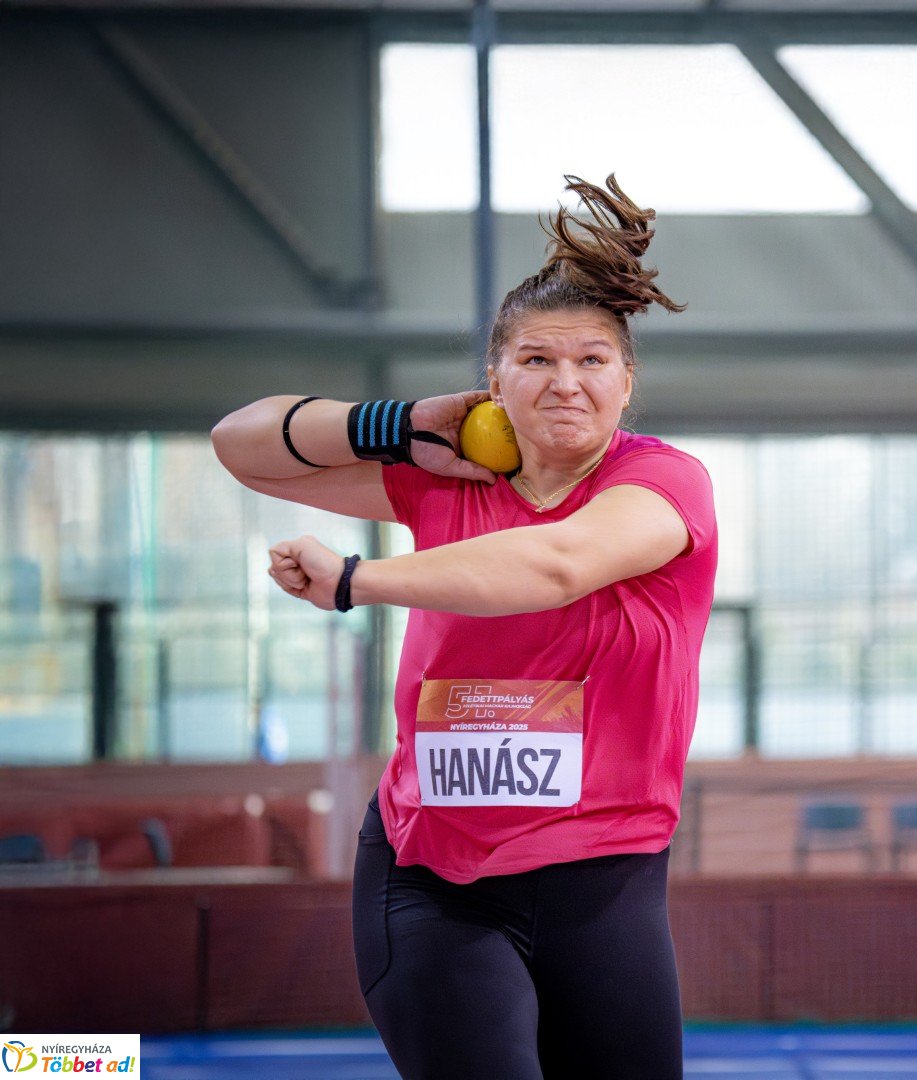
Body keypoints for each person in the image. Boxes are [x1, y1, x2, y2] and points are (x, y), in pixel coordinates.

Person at [211, 175, 714, 1080]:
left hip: (605, 884)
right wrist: (397, 423)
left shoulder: (662, 487)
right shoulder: (450, 481)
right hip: (431, 878)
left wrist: (359, 580)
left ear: (626, 381)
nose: (565, 382)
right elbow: (241, 445)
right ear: (494, 380)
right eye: (535, 361)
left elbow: (552, 567)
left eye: (593, 361)